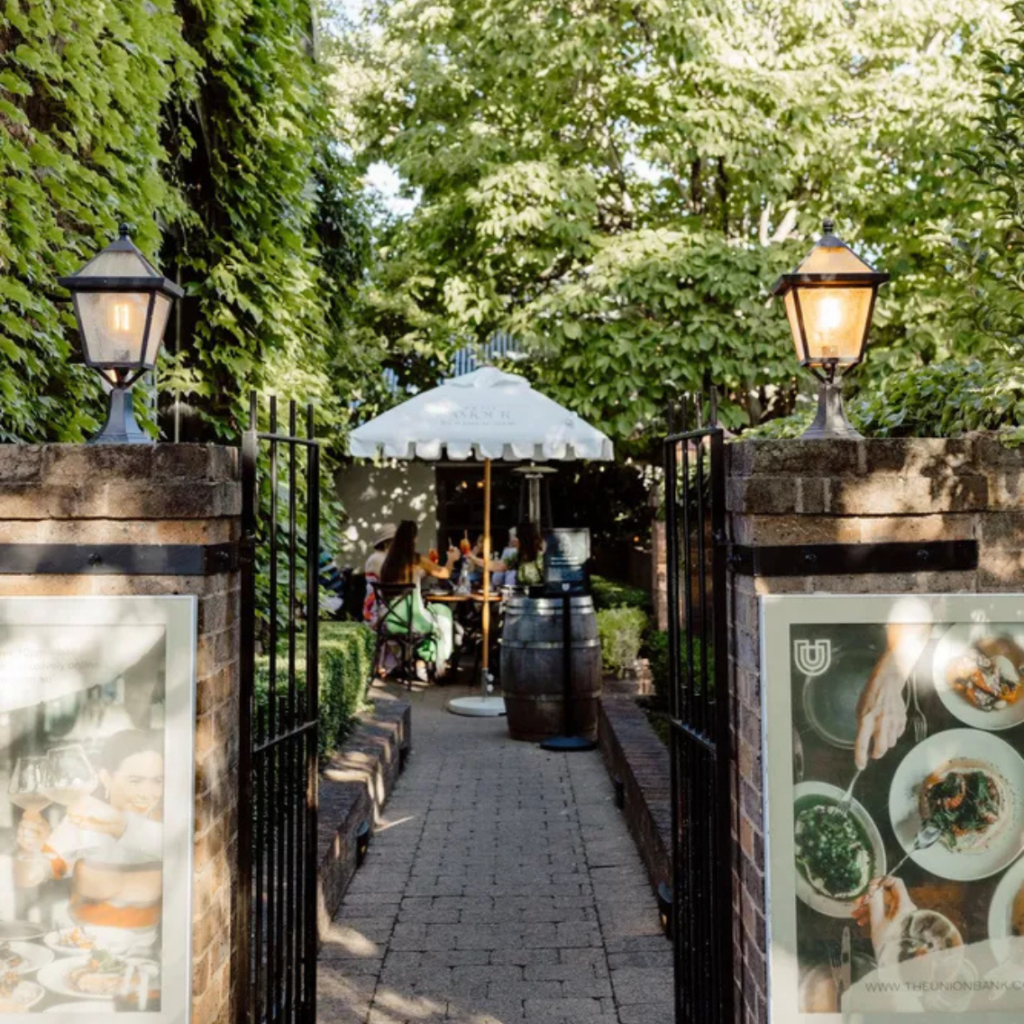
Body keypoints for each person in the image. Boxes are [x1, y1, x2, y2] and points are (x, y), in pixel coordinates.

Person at [14, 730, 164, 935]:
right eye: (135, 781)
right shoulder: (82, 820)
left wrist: (118, 823)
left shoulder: (165, 827)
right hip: (82, 942)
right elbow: (29, 877)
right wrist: (31, 848)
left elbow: (166, 848)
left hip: (147, 949)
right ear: (105, 778)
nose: (148, 793)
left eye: (157, 781)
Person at [380, 520, 460, 678]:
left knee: (436, 616)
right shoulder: (416, 560)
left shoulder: (388, 564)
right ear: (414, 538)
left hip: (390, 621)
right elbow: (444, 573)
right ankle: (439, 663)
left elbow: (407, 583)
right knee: (444, 617)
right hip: (413, 620)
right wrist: (451, 559)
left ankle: (421, 662)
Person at [469, 520, 545, 588]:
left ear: (524, 539)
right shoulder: (518, 556)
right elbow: (497, 565)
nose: (514, 540)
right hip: (521, 596)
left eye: (517, 537)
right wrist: (474, 558)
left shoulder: (540, 557)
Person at [363, 523, 396, 626]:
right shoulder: (378, 558)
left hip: (383, 605)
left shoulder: (383, 558)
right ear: (386, 543)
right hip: (377, 610)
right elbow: (394, 581)